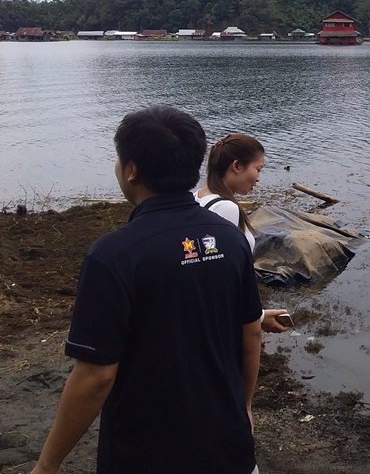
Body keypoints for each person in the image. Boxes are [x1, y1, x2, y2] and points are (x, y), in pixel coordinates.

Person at [31, 105, 262, 474]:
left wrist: (47, 465)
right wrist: (244, 408)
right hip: (229, 448)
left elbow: (96, 376)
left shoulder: (114, 255)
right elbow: (251, 333)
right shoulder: (231, 241)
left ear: (131, 170)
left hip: (147, 455)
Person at [194, 133, 292, 334]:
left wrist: (260, 315)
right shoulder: (226, 209)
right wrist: (254, 320)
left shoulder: (198, 196)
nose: (258, 178)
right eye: (258, 169)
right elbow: (224, 279)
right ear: (237, 166)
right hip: (223, 322)